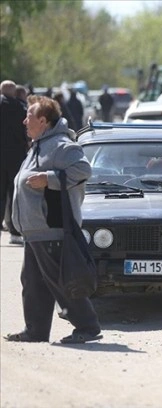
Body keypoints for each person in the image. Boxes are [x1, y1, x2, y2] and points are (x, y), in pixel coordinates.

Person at [5, 95, 101, 344]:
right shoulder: (37, 145)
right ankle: (35, 331)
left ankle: (88, 327)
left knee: (61, 282)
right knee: (33, 283)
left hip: (52, 229)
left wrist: (49, 178)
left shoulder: (61, 145)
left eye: (29, 116)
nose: (24, 120)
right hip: (35, 231)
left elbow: (83, 170)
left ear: (44, 121)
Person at [0, 80, 28, 245]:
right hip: (15, 155)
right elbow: (26, 130)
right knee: (14, 192)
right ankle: (14, 231)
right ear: (13, 91)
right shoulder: (20, 107)